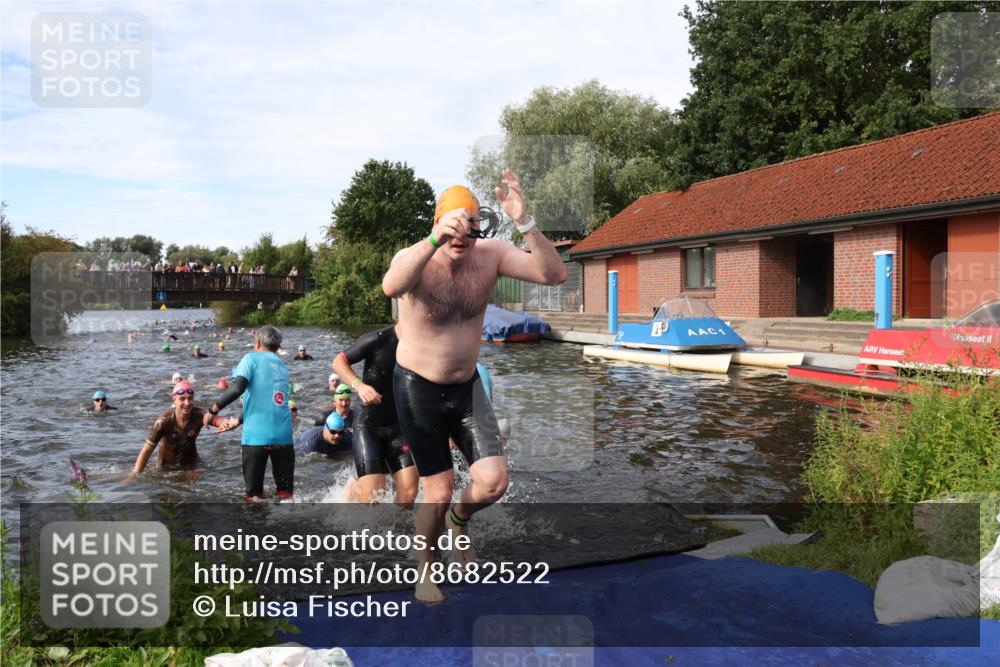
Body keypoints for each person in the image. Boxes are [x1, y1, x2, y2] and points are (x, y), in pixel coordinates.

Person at [382, 170, 566, 602]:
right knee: (439, 490)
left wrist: (525, 222)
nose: (460, 240)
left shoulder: (491, 254)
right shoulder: (417, 257)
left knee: (493, 483)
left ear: (479, 225)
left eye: (469, 229)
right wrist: (431, 243)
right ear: (437, 224)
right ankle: (425, 568)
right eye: (452, 229)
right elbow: (391, 284)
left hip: (466, 387)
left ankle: (459, 525)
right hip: (417, 386)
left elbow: (554, 274)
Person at [333, 323, 418, 506]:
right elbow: (339, 362)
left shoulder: (423, 346)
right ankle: (354, 487)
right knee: (373, 500)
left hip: (399, 428)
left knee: (409, 496)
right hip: (369, 427)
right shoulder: (378, 339)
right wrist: (359, 385)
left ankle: (397, 533)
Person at [210, 325, 295, 500]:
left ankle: (253, 527)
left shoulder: (251, 358)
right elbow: (267, 401)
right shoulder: (283, 366)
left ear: (257, 342)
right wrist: (238, 420)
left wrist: (212, 410)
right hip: (284, 437)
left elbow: (236, 389)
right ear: (278, 347)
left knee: (254, 497)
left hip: (257, 437)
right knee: (286, 495)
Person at [126, 381, 231, 478]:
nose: (187, 403)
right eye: (182, 399)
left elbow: (216, 419)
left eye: (190, 398)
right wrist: (134, 475)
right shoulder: (163, 422)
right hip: (166, 468)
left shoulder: (198, 416)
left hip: (192, 466)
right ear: (174, 400)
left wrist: (226, 423)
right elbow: (146, 451)